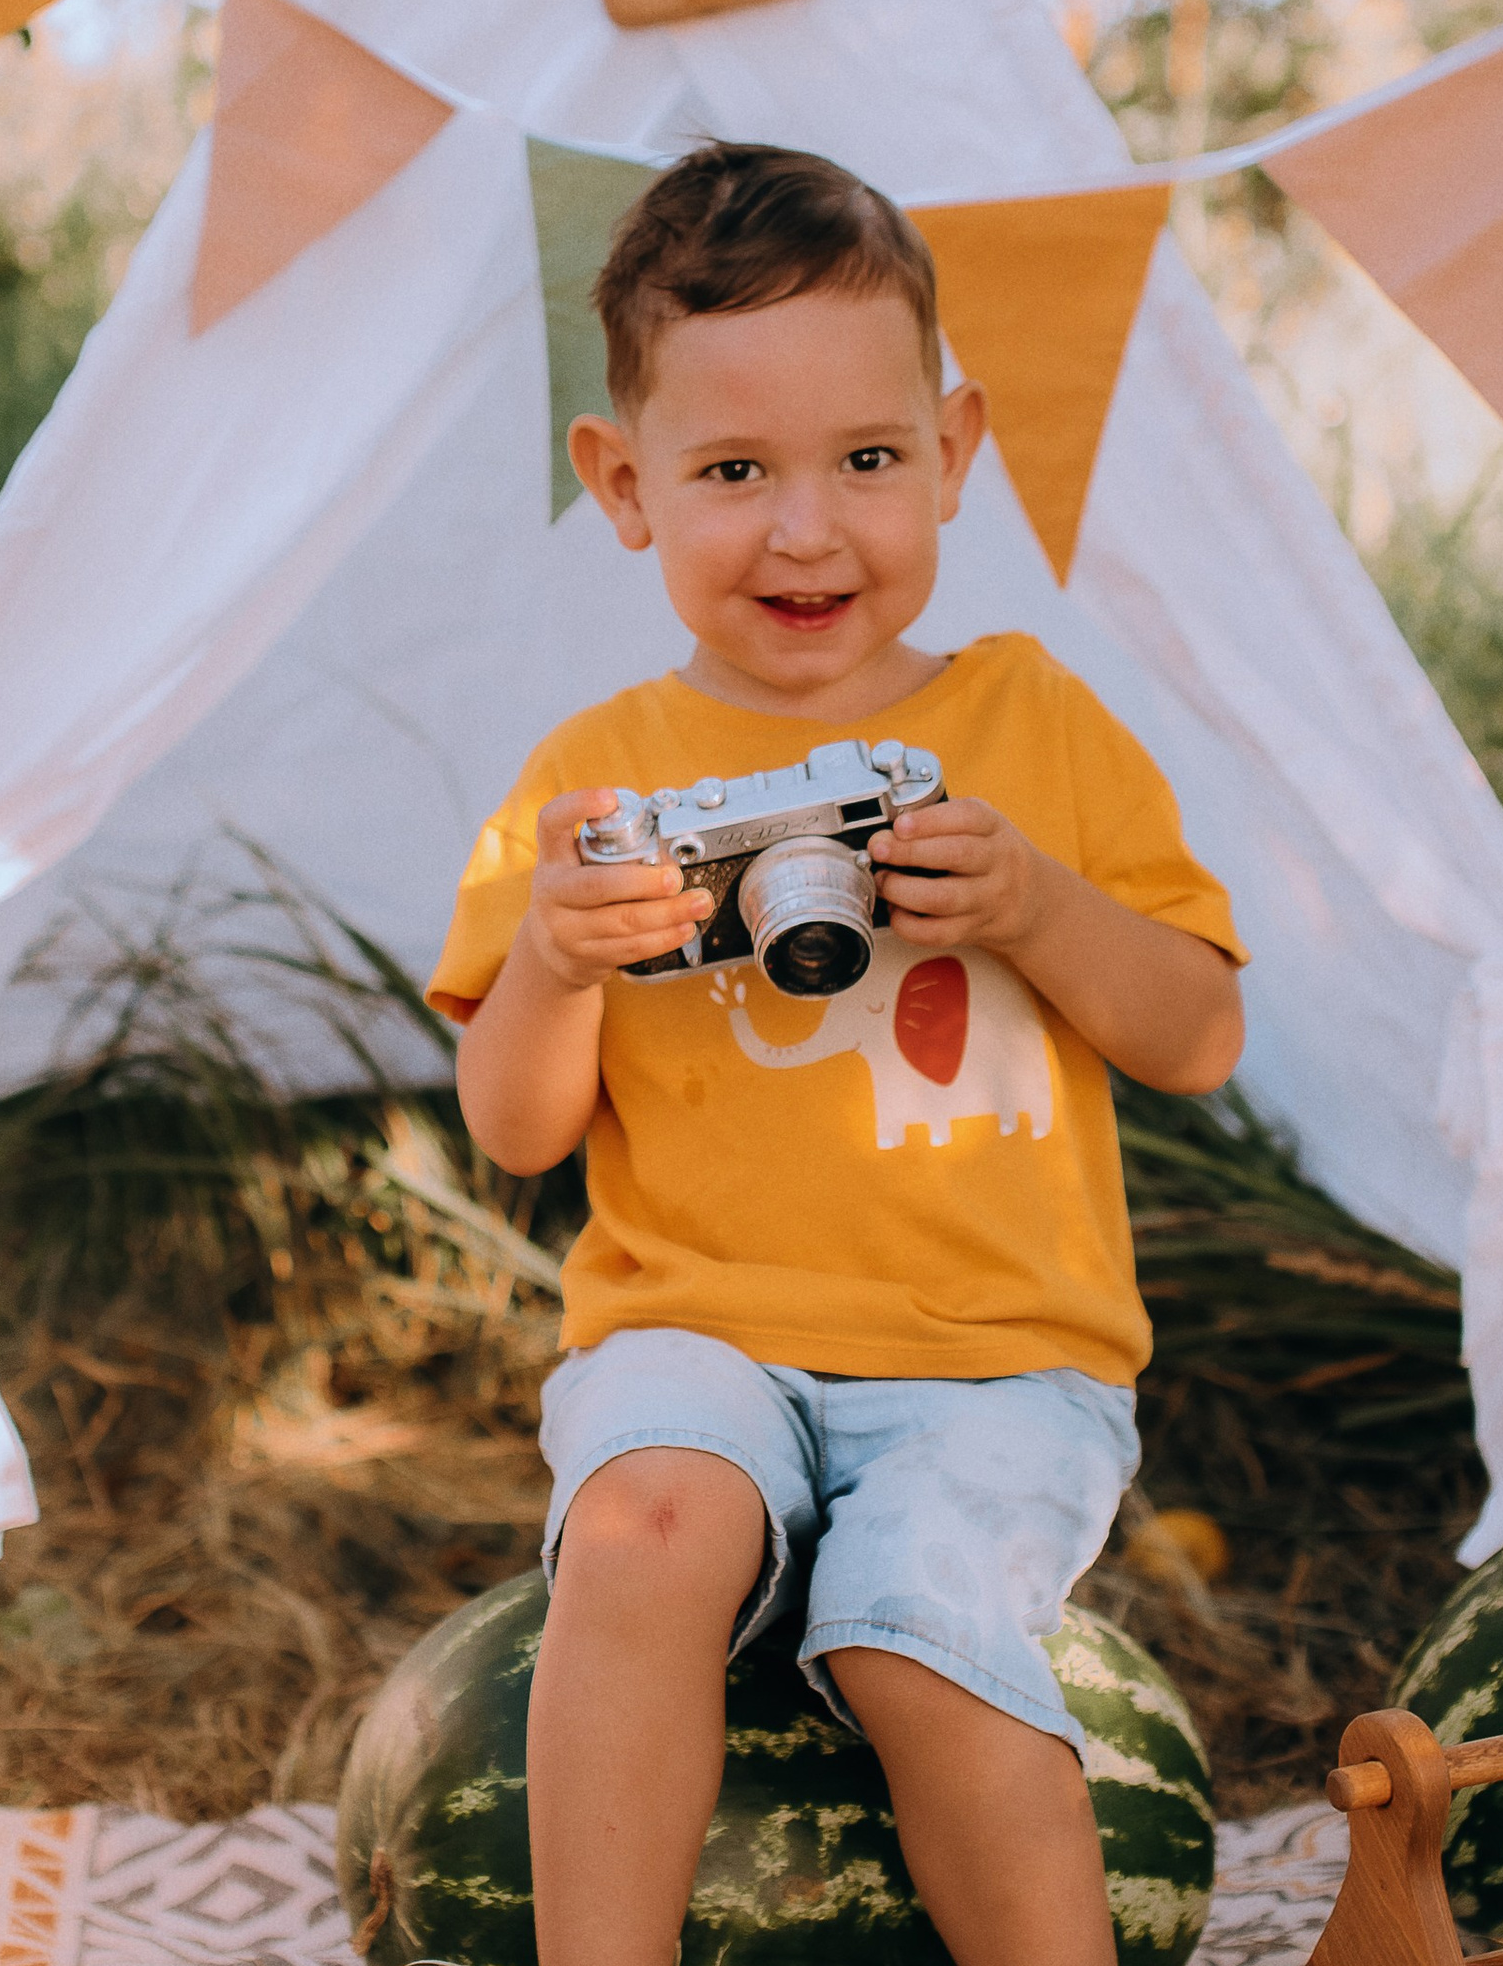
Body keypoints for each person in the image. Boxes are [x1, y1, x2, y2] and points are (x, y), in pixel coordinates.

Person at [426, 141, 1247, 1966]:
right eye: (734, 472)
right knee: (640, 1528)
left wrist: (1035, 907)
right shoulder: (596, 783)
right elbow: (515, 1127)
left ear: (953, 454)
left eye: (867, 461)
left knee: (916, 1626)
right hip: (698, 1337)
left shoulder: (1032, 722)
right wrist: (557, 961)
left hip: (998, 1361)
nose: (807, 531)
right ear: (623, 486)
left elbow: (1200, 1035)